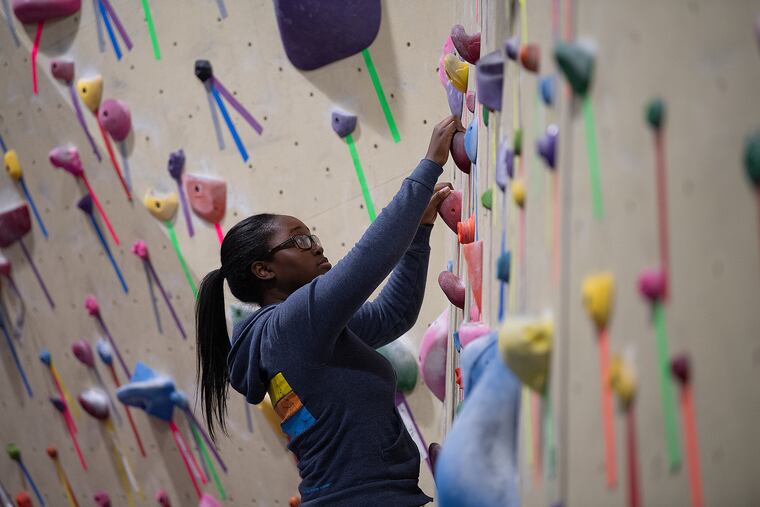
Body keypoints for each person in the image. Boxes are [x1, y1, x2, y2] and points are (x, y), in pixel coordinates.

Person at [195, 115, 463, 506]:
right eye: (300, 241)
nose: (316, 246)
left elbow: (392, 316)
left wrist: (419, 232)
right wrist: (429, 164)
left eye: (312, 237)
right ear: (264, 269)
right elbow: (369, 259)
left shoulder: (306, 329)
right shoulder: (290, 325)